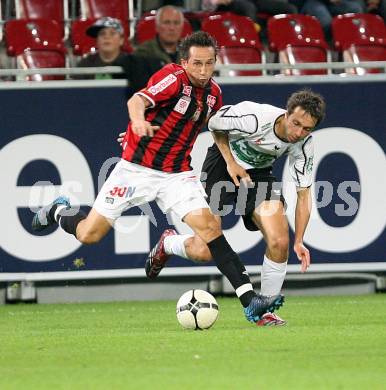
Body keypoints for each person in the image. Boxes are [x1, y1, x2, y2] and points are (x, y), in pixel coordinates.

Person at [31, 31, 284, 325]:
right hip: (135, 169)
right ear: (184, 62)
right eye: (197, 64)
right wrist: (138, 122)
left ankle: (250, 302)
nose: (203, 71)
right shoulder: (172, 78)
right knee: (89, 234)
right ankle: (59, 210)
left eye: (209, 63)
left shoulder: (215, 94)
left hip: (177, 174)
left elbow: (210, 127)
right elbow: (138, 100)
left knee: (211, 230)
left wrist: (228, 160)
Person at [145, 89, 326, 326]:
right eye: (296, 124)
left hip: (258, 175)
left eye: (307, 129)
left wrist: (299, 240)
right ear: (286, 114)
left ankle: (264, 310)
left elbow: (304, 195)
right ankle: (168, 243)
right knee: (203, 251)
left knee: (280, 241)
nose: (299, 133)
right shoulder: (255, 117)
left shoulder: (303, 144)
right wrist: (231, 163)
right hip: (221, 165)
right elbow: (214, 124)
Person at [75, 16, 163, 91]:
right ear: (97, 40)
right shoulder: (85, 64)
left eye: (112, 33)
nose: (107, 37)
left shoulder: (133, 64)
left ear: (121, 40)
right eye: (102, 34)